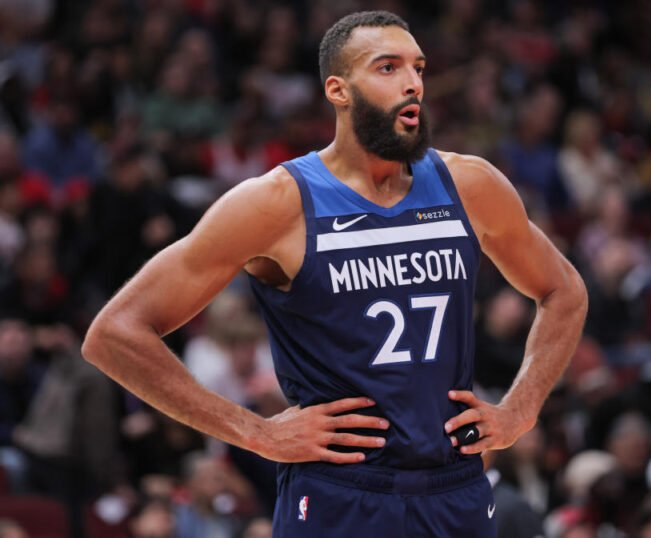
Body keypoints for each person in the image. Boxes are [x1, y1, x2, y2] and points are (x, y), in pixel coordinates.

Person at [82, 11, 587, 537]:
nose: (413, 83)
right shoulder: (278, 203)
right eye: (387, 68)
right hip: (340, 495)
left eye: (418, 68)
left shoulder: (471, 185)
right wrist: (255, 432)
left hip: (455, 489)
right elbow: (115, 334)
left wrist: (520, 410)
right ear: (338, 90)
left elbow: (564, 290)